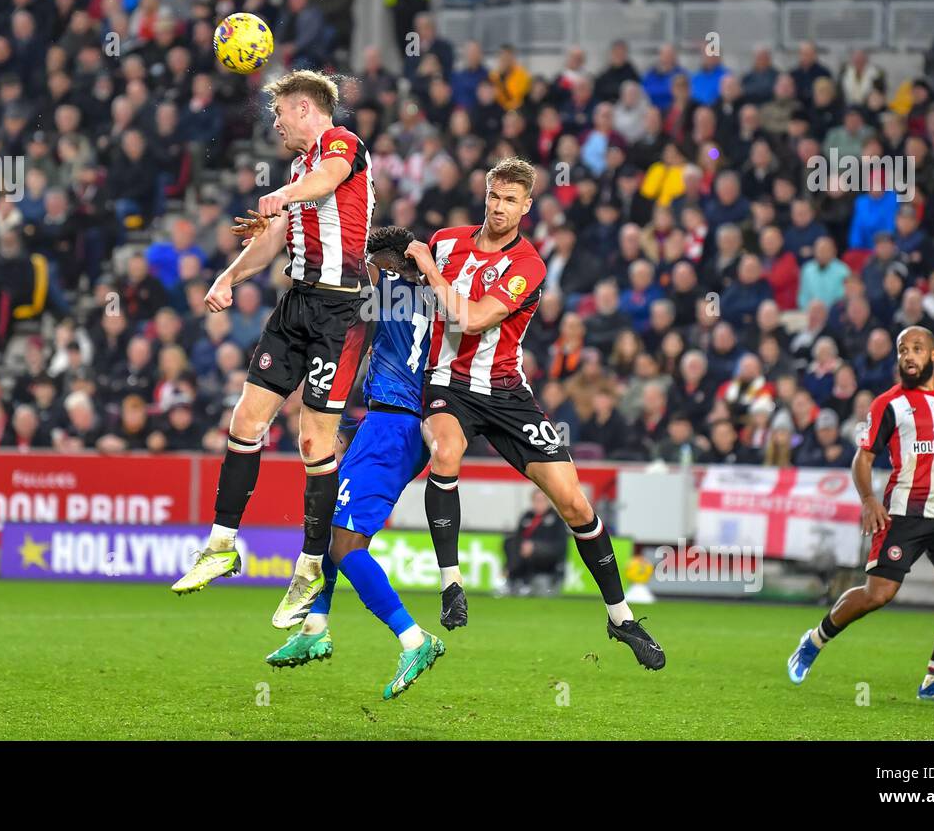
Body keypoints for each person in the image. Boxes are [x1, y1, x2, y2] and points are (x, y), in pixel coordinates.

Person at [403, 156, 665, 670]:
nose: (499, 208)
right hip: (447, 382)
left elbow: (474, 319)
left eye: (510, 201)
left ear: (526, 206)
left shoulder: (529, 265)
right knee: (447, 450)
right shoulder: (447, 240)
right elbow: (390, 270)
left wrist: (429, 268)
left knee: (574, 504)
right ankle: (451, 584)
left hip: (506, 392)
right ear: (486, 193)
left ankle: (621, 616)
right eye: (493, 196)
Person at [170, 71, 374, 629]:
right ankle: (221, 544)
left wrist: (284, 194)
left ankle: (309, 565)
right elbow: (274, 238)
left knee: (314, 438)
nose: (276, 122)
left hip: (341, 311)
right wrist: (229, 277)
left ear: (306, 107)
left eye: (281, 113)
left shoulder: (342, 146)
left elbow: (329, 180)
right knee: (246, 418)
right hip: (297, 305)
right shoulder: (296, 169)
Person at [267, 226, 444, 700]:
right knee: (324, 526)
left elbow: (342, 272)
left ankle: (414, 638)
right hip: (389, 425)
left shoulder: (390, 288)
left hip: (392, 428)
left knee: (345, 546)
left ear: (389, 264)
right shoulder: (426, 298)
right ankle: (315, 628)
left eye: (374, 263)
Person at [788, 327, 934, 703]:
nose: (908, 356)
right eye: (903, 350)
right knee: (878, 594)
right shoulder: (890, 403)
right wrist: (869, 498)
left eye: (917, 349)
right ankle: (814, 639)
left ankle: (933, 682)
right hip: (903, 512)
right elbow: (862, 457)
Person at [504, 490, 568, 595]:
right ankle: (512, 578)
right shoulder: (527, 516)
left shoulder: (557, 519)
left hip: (546, 567)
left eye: (542, 500)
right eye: (536, 500)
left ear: (548, 501)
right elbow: (517, 538)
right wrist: (523, 547)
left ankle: (518, 581)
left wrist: (536, 548)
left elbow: (560, 548)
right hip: (523, 564)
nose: (538, 503)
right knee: (509, 543)